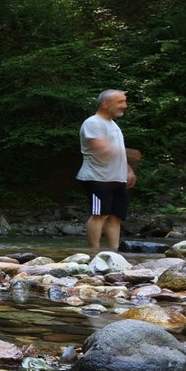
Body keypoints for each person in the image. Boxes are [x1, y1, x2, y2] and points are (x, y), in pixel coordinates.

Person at [77, 89, 138, 254]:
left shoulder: (112, 124)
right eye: (120, 102)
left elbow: (117, 153)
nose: (124, 106)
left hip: (116, 178)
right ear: (105, 104)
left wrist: (128, 169)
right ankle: (93, 253)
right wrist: (130, 153)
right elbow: (100, 148)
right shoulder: (93, 123)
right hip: (97, 177)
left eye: (124, 101)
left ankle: (114, 253)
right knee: (100, 214)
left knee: (115, 216)